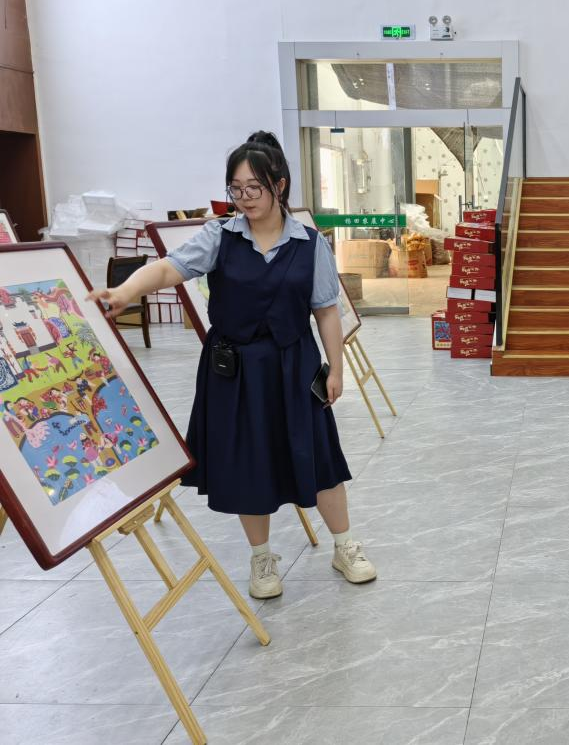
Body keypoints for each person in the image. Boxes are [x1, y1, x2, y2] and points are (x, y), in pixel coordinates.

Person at [88, 131, 376, 599]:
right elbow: (169, 268)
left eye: (254, 188)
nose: (244, 198)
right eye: (236, 189)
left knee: (320, 456)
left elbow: (325, 309)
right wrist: (125, 291)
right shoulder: (220, 237)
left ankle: (345, 546)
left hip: (294, 365)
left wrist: (336, 369)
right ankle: (262, 559)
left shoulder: (309, 243)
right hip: (236, 370)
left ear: (279, 185)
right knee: (250, 462)